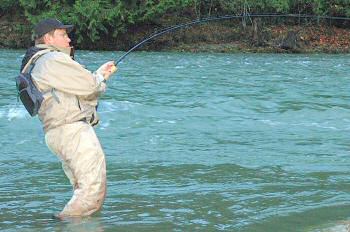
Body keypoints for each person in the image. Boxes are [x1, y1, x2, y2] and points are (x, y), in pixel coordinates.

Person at [20, 18, 117, 218]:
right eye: (63, 34)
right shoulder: (52, 59)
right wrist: (99, 79)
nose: (69, 39)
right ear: (48, 38)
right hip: (72, 131)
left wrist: (99, 75)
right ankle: (66, 224)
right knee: (91, 192)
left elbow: (78, 89)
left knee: (82, 190)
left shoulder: (38, 62)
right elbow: (91, 87)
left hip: (58, 133)